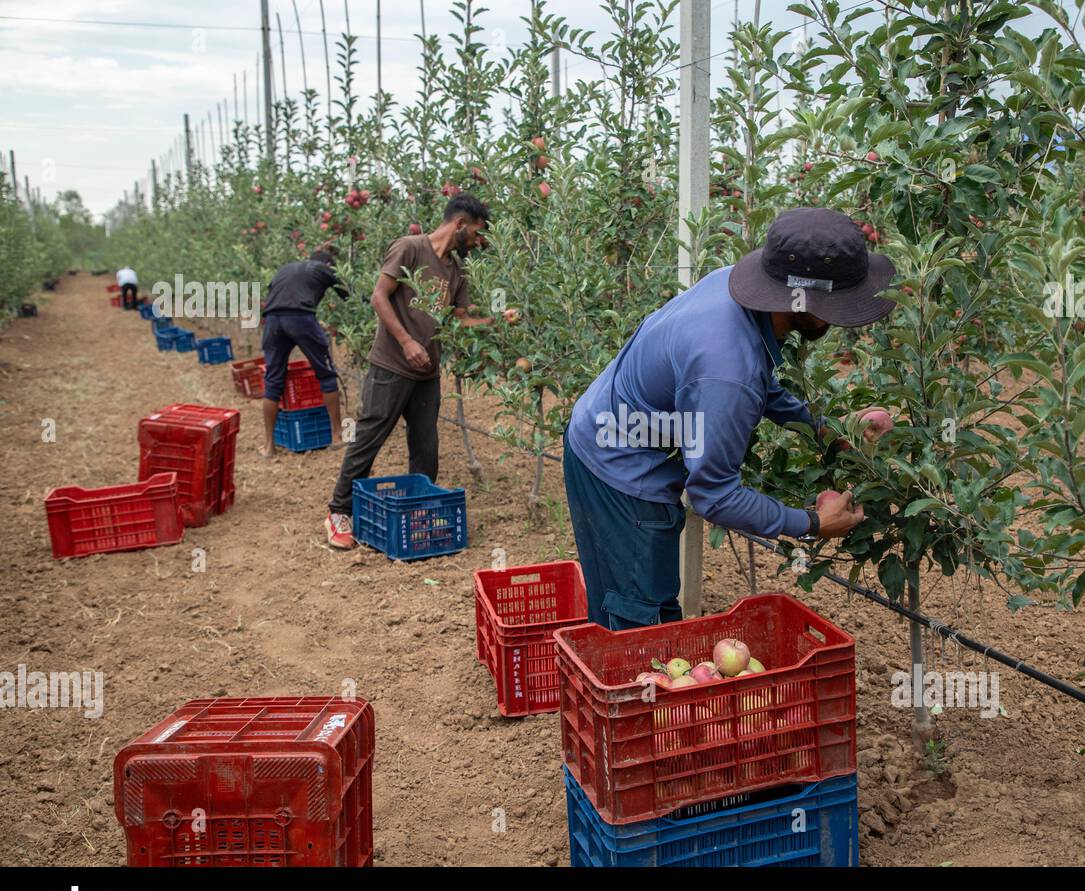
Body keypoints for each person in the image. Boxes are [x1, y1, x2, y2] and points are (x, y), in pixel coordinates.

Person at [563, 207, 898, 630]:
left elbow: (755, 383)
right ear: (808, 302)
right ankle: (628, 688)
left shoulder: (737, 296)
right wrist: (812, 523)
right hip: (616, 467)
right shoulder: (726, 367)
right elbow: (713, 495)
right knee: (633, 621)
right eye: (840, 304)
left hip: (607, 430)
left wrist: (822, 427)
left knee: (649, 609)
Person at [325, 194, 491, 549]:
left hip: (427, 374)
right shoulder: (411, 248)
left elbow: (459, 321)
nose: (479, 242)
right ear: (460, 224)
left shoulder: (456, 270)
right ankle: (339, 511)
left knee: (425, 445)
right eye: (477, 234)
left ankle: (420, 514)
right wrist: (406, 342)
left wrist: (496, 323)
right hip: (391, 364)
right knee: (370, 435)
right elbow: (379, 297)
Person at [259, 246, 349, 457]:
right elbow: (349, 295)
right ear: (329, 264)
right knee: (326, 373)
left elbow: (272, 294)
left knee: (273, 380)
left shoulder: (286, 268)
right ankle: (336, 435)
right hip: (300, 317)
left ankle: (268, 446)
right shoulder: (324, 269)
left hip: (272, 321)